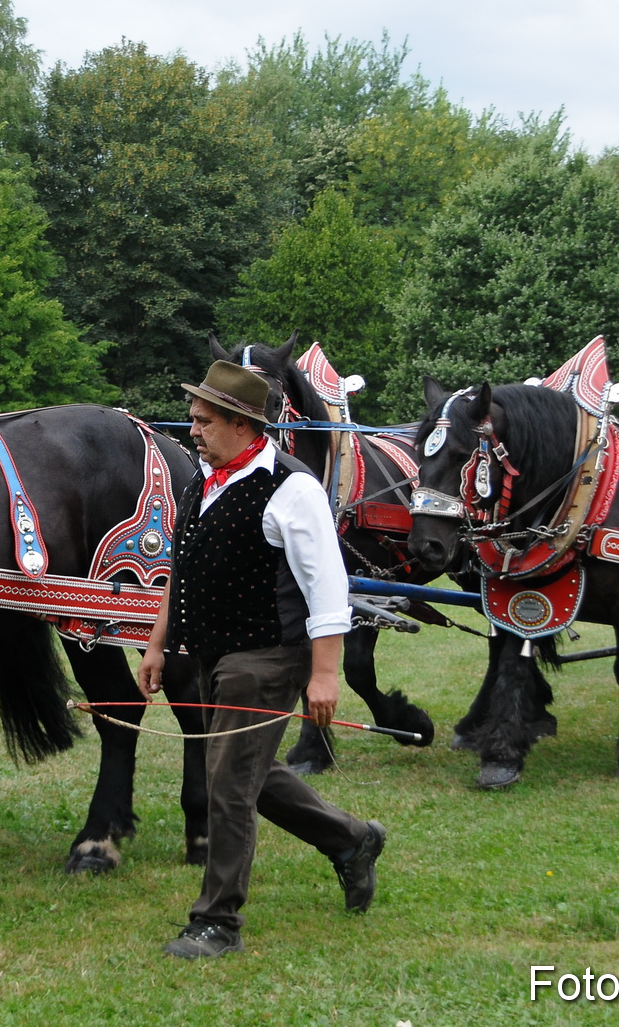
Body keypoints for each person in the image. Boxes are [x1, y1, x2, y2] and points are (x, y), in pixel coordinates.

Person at [137, 361, 385, 959]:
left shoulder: (291, 489)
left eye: (204, 420)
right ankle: (352, 839)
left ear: (244, 424)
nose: (192, 430)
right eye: (193, 419)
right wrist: (156, 642)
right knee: (243, 768)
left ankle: (216, 921)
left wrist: (324, 675)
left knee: (226, 782)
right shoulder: (203, 481)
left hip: (269, 655)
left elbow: (328, 589)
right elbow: (182, 570)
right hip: (207, 654)